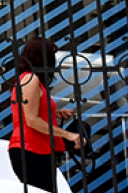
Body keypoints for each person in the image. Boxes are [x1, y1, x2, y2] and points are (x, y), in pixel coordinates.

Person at [7, 37, 79, 191]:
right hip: (31, 149)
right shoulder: (30, 80)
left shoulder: (27, 79)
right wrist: (67, 134)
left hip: (35, 149)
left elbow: (28, 111)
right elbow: (31, 120)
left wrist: (55, 113)